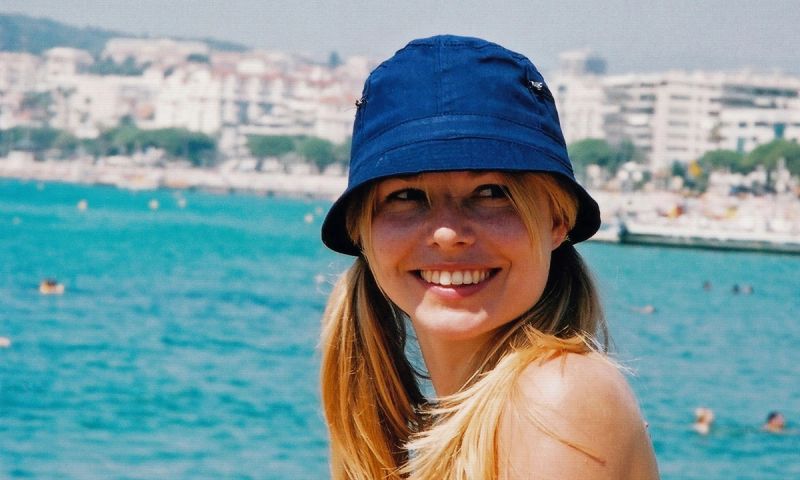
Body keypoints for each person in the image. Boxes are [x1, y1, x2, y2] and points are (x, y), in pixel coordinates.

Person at [319, 35, 659, 479]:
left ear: (558, 219)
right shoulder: (504, 412)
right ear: (360, 231)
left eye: (492, 193)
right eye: (406, 196)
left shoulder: (556, 398)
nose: (447, 233)